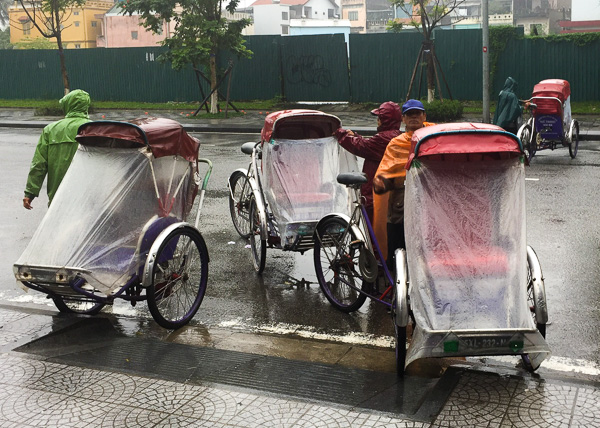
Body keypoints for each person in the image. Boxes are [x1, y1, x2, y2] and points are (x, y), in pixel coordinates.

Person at [373, 99, 435, 265]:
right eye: (409, 115)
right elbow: (385, 172)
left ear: (424, 116)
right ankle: (395, 280)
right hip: (402, 200)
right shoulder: (396, 144)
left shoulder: (435, 137)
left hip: (429, 198)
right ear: (403, 119)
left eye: (417, 114)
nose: (414, 117)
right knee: (398, 245)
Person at [334, 101, 402, 222]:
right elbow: (369, 145)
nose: (377, 121)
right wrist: (355, 135)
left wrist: (340, 133)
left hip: (375, 192)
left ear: (384, 120)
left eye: (379, 118)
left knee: (374, 230)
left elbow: (362, 147)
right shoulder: (396, 136)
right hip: (386, 191)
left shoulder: (384, 138)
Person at [22, 89, 91, 210]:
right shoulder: (94, 129)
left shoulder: (51, 130)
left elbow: (39, 164)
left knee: (58, 226)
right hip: (87, 194)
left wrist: (30, 193)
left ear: (67, 105)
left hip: (58, 193)